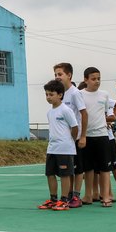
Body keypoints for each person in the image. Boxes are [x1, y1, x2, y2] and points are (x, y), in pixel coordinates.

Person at [38, 79, 78, 211]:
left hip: (65, 149)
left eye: (51, 94)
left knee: (65, 174)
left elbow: (75, 127)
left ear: (60, 95)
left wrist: (70, 141)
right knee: (50, 174)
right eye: (46, 94)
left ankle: (64, 200)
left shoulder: (66, 110)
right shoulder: (50, 112)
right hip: (52, 148)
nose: (48, 97)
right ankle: (53, 199)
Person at [53, 63, 88, 208]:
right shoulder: (60, 93)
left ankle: (76, 196)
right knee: (69, 169)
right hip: (65, 139)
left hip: (76, 137)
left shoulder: (75, 93)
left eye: (60, 74)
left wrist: (83, 136)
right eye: (55, 74)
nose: (57, 77)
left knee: (78, 168)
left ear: (69, 75)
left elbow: (84, 114)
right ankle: (68, 195)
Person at [79, 67, 113, 207]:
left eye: (99, 78)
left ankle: (105, 196)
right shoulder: (79, 95)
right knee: (88, 168)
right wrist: (82, 136)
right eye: (93, 79)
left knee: (104, 168)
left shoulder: (104, 95)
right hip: (86, 136)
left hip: (102, 135)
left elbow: (104, 113)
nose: (97, 81)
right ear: (86, 80)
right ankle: (88, 196)